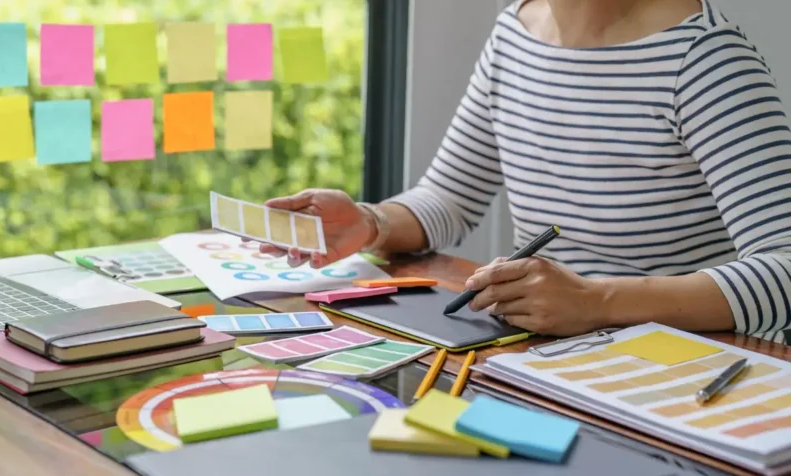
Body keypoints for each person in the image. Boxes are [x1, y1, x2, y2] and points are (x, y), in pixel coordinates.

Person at [256, 0, 791, 343]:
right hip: (551, 351)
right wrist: (370, 222)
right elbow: (449, 197)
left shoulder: (705, 60)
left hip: (683, 367)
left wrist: (596, 302)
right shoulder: (515, 32)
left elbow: (786, 270)